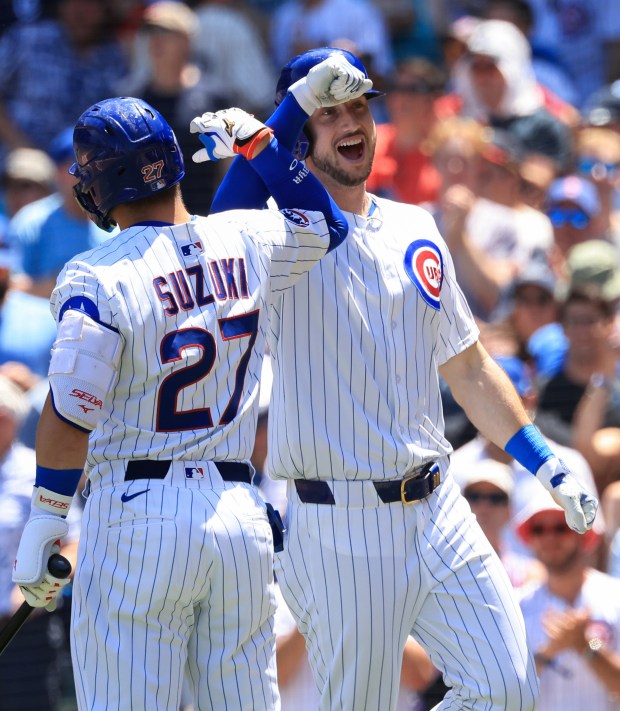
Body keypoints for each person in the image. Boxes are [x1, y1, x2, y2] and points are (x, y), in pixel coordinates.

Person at [208, 46, 598, 711]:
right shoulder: (278, 233)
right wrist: (285, 117)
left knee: (506, 689)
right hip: (340, 521)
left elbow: (469, 366)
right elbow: (220, 224)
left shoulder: (416, 225)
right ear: (301, 127)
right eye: (330, 111)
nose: (353, 121)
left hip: (440, 504)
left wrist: (543, 458)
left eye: (360, 104)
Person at [9, 53, 374, 710]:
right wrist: (270, 129)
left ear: (97, 185)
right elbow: (326, 221)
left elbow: (69, 413)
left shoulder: (97, 275)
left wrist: (46, 520)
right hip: (239, 515)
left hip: (139, 515)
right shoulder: (246, 236)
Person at [517, 489, 620, 710]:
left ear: (583, 534)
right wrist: (547, 653)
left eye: (561, 528)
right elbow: (505, 692)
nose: (549, 538)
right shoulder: (516, 607)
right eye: (539, 529)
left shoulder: (615, 596)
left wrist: (587, 645)